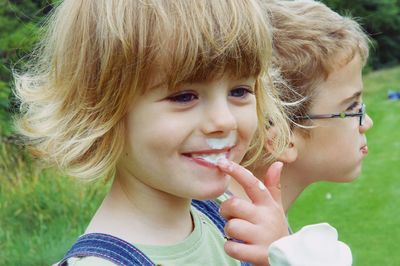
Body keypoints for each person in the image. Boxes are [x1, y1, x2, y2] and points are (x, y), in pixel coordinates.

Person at [13, 0, 291, 265]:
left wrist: (280, 254)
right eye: (184, 96)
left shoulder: (227, 214)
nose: (225, 120)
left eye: (240, 91)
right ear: (101, 110)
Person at [223, 0, 373, 264]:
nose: (367, 122)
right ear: (281, 137)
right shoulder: (223, 244)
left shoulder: (263, 231)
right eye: (352, 107)